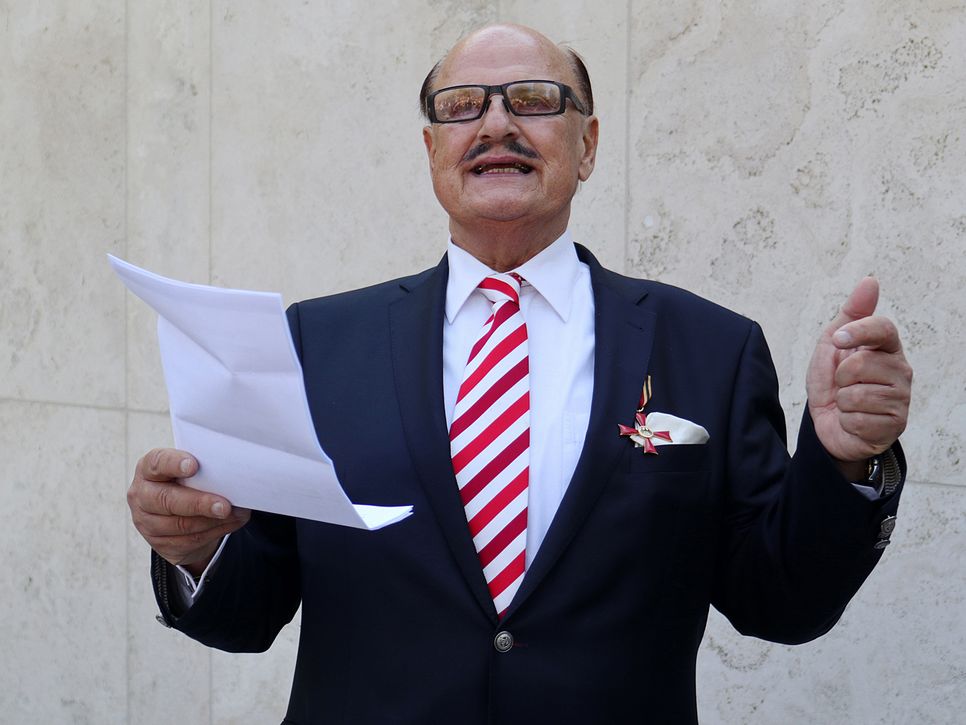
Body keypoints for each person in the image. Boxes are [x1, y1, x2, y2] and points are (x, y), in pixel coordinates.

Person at [127, 24, 912, 724]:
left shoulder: (711, 348)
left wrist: (843, 459)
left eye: (534, 100)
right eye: (462, 105)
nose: (496, 124)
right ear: (432, 150)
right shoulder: (318, 343)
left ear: (588, 144)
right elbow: (250, 608)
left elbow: (781, 601)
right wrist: (194, 549)